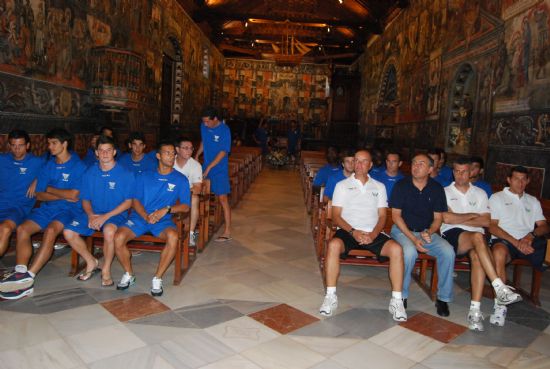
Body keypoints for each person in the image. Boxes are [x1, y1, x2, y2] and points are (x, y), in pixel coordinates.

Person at [320, 150, 406, 321]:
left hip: (372, 232)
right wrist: (353, 231)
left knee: (396, 249)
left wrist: (373, 234)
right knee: (333, 245)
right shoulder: (342, 185)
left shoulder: (379, 187)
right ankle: (330, 296)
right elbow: (336, 215)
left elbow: (383, 216)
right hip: (348, 231)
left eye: (363, 161)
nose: (358, 165)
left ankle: (397, 300)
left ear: (370, 165)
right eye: (356, 161)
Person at [0, 128, 87, 300]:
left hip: (68, 210)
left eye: (53, 143)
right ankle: (20, 271)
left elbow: (74, 195)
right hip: (47, 208)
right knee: (23, 229)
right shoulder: (48, 164)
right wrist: (56, 192)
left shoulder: (79, 166)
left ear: (64, 144)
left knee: (50, 231)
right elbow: (39, 194)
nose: (49, 146)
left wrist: (50, 190)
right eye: (49, 143)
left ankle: (28, 280)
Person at [441, 157, 521, 331]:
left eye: (464, 171)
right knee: (479, 239)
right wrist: (472, 215)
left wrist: (461, 216)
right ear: (453, 172)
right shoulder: (444, 191)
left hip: (475, 239)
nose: (460, 175)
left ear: (471, 173)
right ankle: (499, 286)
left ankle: (474, 311)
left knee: (478, 256)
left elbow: (486, 222)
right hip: (451, 235)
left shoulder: (480, 193)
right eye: (456, 171)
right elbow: (447, 218)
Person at [114, 141, 190, 296]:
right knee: (118, 237)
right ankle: (129, 274)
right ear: (158, 156)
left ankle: (158, 277)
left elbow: (186, 206)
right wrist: (145, 216)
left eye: (173, 153)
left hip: (162, 220)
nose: (171, 156)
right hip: (140, 217)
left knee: (173, 237)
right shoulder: (144, 176)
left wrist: (166, 209)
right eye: (167, 153)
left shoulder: (180, 179)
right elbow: (135, 200)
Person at [62, 135, 135, 287]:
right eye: (101, 150)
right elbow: (85, 199)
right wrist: (90, 215)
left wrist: (105, 217)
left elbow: (129, 202)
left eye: (108, 150)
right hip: (93, 213)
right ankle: (91, 261)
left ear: (114, 152)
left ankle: (106, 269)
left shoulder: (125, 173)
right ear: (96, 153)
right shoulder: (90, 173)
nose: (105, 154)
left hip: (115, 214)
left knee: (109, 231)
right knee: (68, 232)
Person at [390, 153, 455, 316]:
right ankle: (401, 296)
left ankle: (443, 298)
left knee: (448, 252)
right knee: (410, 252)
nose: (416, 166)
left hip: (426, 232)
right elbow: (395, 216)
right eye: (414, 163)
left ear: (430, 169)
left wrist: (429, 232)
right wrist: (413, 239)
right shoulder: (401, 185)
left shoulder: (436, 188)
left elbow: (438, 218)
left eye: (421, 164)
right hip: (403, 231)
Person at [489, 166, 549, 326]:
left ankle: (539, 270)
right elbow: (492, 227)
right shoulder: (497, 197)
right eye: (516, 179)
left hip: (528, 241)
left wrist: (530, 236)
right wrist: (516, 242)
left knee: (546, 248)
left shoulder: (532, 201)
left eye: (524, 179)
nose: (520, 182)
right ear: (509, 180)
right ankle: (500, 305)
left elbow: (544, 226)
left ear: (528, 181)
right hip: (505, 240)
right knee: (499, 252)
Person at [0, 130, 44, 258]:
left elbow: (53, 170)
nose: (17, 149)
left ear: (28, 146)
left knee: (5, 228)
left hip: (18, 208)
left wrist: (37, 180)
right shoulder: (2, 160)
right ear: (9, 146)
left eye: (21, 145)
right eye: (13, 145)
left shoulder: (37, 162)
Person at [195, 106, 232, 242]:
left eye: (207, 122)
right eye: (203, 122)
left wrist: (210, 166)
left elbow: (224, 151)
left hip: (219, 169)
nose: (205, 124)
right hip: (206, 167)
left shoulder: (224, 130)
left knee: (223, 199)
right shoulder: (203, 126)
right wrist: (197, 154)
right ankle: (197, 226)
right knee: (198, 195)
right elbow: (204, 141)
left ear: (215, 119)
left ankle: (227, 231)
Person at [174, 136, 203, 246]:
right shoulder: (169, 161)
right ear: (177, 149)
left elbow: (197, 188)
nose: (189, 151)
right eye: (185, 148)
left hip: (187, 195)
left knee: (195, 198)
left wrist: (181, 193)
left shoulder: (195, 165)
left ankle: (191, 234)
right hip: (168, 194)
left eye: (191, 148)